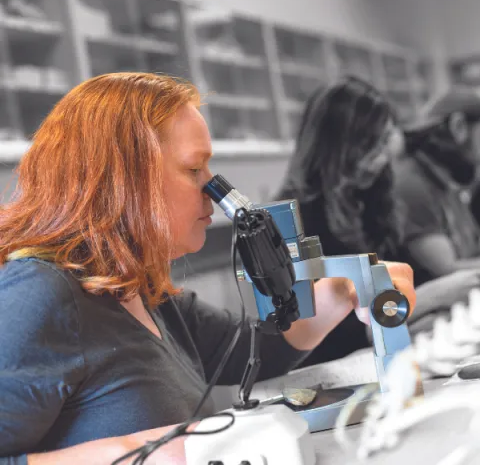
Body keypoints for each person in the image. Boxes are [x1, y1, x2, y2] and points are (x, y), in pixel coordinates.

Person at [0, 72, 416, 464]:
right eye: (193, 168)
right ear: (123, 180)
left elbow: (258, 352)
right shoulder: (39, 294)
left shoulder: (140, 290)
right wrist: (139, 451)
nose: (213, 191)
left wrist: (348, 286)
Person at [275, 76, 480, 365]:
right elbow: (313, 334)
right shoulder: (287, 221)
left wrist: (416, 312)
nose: (381, 159)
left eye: (385, 142)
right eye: (369, 146)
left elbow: (400, 277)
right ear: (333, 146)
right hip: (333, 371)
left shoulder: (370, 194)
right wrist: (424, 301)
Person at [398, 89, 480, 285]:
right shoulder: (413, 185)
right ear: (458, 126)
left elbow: (471, 248)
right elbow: (449, 270)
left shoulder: (444, 181)